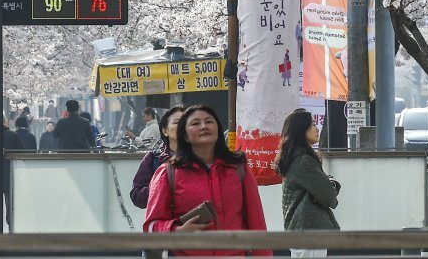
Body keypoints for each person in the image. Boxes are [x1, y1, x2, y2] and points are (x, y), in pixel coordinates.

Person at [142, 103, 268, 256]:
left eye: (209, 121)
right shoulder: (167, 173)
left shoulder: (239, 169)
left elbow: (257, 224)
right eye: (195, 123)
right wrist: (177, 230)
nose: (204, 126)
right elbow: (151, 226)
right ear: (185, 135)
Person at [276, 108, 339, 257]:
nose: (317, 129)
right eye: (312, 125)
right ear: (301, 129)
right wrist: (333, 184)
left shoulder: (294, 157)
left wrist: (326, 183)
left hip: (301, 231)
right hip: (309, 231)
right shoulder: (303, 161)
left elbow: (322, 187)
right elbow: (328, 195)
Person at [130, 105, 184, 208]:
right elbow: (137, 197)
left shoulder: (202, 157)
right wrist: (159, 186)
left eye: (187, 122)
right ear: (165, 131)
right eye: (177, 122)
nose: (183, 126)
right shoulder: (154, 158)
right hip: (165, 222)